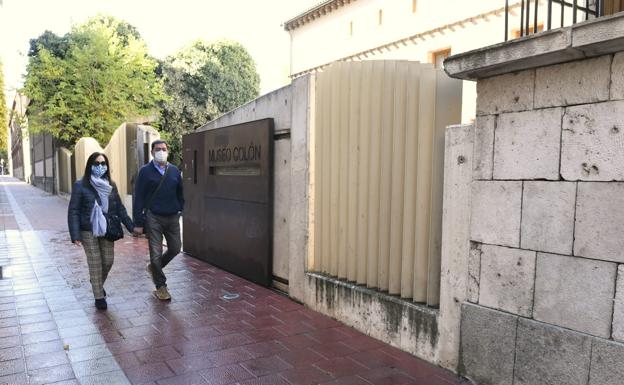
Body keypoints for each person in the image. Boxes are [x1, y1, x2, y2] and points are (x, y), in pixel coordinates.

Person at [68, 152, 134, 310]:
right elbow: (74, 210)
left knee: (108, 261)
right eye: (96, 164)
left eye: (103, 164)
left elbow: (119, 207)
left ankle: (95, 281)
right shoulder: (80, 185)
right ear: (90, 165)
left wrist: (132, 227)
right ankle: (99, 296)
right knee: (95, 262)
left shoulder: (111, 184)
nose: (100, 167)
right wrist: (75, 234)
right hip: (87, 229)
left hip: (108, 228)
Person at [133, 140, 184, 301]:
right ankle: (161, 286)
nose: (161, 151)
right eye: (157, 149)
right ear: (152, 152)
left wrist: (180, 209)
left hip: (172, 216)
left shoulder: (174, 170)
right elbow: (138, 197)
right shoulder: (145, 172)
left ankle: (154, 269)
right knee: (155, 254)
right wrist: (138, 223)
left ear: (167, 151)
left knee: (175, 248)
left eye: (163, 149)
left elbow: (180, 192)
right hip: (153, 217)